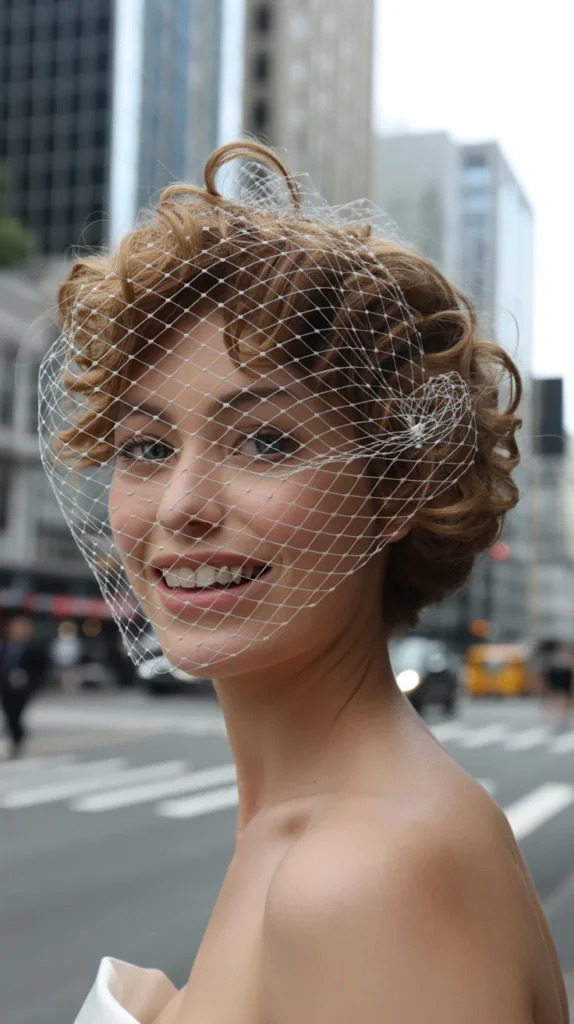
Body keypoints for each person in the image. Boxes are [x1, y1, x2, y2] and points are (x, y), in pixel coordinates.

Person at [40, 141, 568, 1023]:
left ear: (397, 488)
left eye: (265, 441)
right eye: (147, 447)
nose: (183, 505)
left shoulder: (368, 876)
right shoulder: (316, 831)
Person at [0, 615, 47, 758]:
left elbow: (41, 669)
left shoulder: (34, 648)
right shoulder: (5, 646)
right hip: (6, 687)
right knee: (9, 715)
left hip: (24, 689)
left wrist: (29, 680)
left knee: (17, 714)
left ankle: (18, 739)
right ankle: (16, 738)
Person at [534, 640, 573, 732]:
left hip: (561, 683)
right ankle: (559, 722)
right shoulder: (553, 659)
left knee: (561, 703)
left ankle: (560, 722)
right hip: (558, 683)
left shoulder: (564, 659)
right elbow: (546, 674)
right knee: (560, 703)